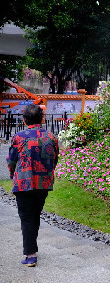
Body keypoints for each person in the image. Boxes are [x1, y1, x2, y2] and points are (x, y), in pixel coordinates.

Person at [6, 104, 59, 267]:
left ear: (24, 119)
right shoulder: (51, 137)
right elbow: (54, 159)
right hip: (43, 183)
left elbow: (12, 161)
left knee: (27, 217)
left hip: (24, 182)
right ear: (42, 119)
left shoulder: (19, 137)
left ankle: (31, 254)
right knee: (35, 215)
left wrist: (13, 175)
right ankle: (32, 247)